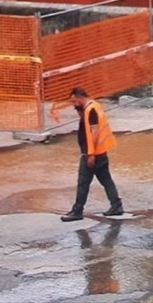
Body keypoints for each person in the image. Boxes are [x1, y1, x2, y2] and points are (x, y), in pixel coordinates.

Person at [61, 87, 124, 222]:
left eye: (74, 101)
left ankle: (77, 211)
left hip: (92, 154)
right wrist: (79, 110)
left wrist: (90, 154)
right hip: (101, 152)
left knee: (83, 183)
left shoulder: (91, 110)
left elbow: (94, 133)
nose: (74, 104)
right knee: (106, 180)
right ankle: (116, 205)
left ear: (79, 97)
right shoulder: (95, 106)